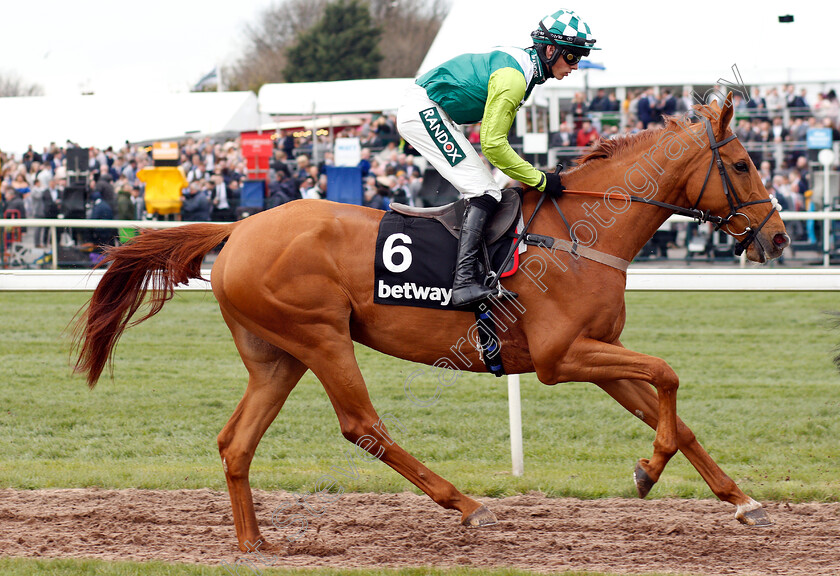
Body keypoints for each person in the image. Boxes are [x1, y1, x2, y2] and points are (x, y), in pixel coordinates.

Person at [397, 8, 598, 307]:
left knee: (485, 188)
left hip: (435, 111)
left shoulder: (523, 68)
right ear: (551, 49)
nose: (575, 66)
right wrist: (540, 179)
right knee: (485, 190)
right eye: (572, 57)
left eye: (579, 58)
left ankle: (472, 270)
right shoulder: (515, 79)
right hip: (425, 111)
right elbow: (492, 145)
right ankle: (463, 282)